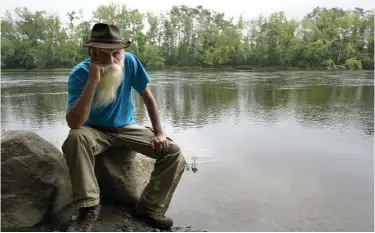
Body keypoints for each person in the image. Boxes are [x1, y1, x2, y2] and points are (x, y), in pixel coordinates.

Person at [62, 23, 186, 231]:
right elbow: (74, 124)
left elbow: (147, 97)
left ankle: (148, 208)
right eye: (103, 55)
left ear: (123, 52)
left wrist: (159, 132)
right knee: (75, 137)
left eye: (116, 54)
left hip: (126, 128)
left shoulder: (130, 62)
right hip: (94, 131)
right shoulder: (79, 74)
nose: (111, 61)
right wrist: (92, 81)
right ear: (92, 52)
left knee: (172, 152)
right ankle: (89, 208)